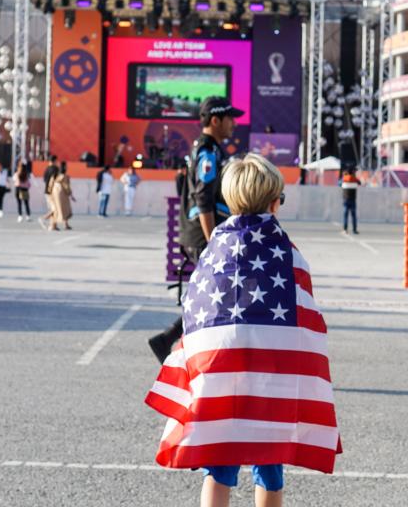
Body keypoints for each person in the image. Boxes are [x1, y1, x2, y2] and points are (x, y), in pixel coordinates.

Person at [144, 154, 341, 503]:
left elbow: (195, 309)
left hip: (221, 372)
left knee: (219, 459)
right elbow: (305, 312)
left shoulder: (216, 248)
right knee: (269, 458)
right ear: (272, 202)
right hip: (270, 374)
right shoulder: (285, 251)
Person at [147, 96, 243, 363]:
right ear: (215, 120)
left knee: (218, 294)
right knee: (222, 294)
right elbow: (203, 199)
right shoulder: (208, 152)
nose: (234, 123)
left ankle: (169, 340)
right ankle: (187, 348)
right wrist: (213, 240)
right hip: (202, 236)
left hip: (198, 234)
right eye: (230, 118)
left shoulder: (207, 148)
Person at [48, 161, 75, 230]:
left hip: (54, 192)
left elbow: (50, 184)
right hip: (61, 193)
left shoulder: (55, 175)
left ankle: (62, 224)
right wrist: (70, 194)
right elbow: (66, 186)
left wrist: (50, 193)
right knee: (63, 209)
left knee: (56, 209)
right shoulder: (65, 176)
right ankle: (54, 225)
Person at [38, 155, 60, 229]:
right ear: (55, 161)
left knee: (53, 209)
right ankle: (43, 219)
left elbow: (44, 180)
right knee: (55, 209)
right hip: (53, 191)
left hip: (47, 190)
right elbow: (57, 180)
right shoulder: (56, 169)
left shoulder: (46, 169)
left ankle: (53, 225)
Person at [339, 168, 360, 234]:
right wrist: (354, 176)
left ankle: (345, 229)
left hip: (346, 200)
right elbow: (360, 183)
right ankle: (354, 230)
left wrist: (344, 175)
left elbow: (339, 183)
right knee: (353, 215)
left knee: (345, 215)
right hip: (353, 200)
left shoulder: (344, 179)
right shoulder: (355, 179)